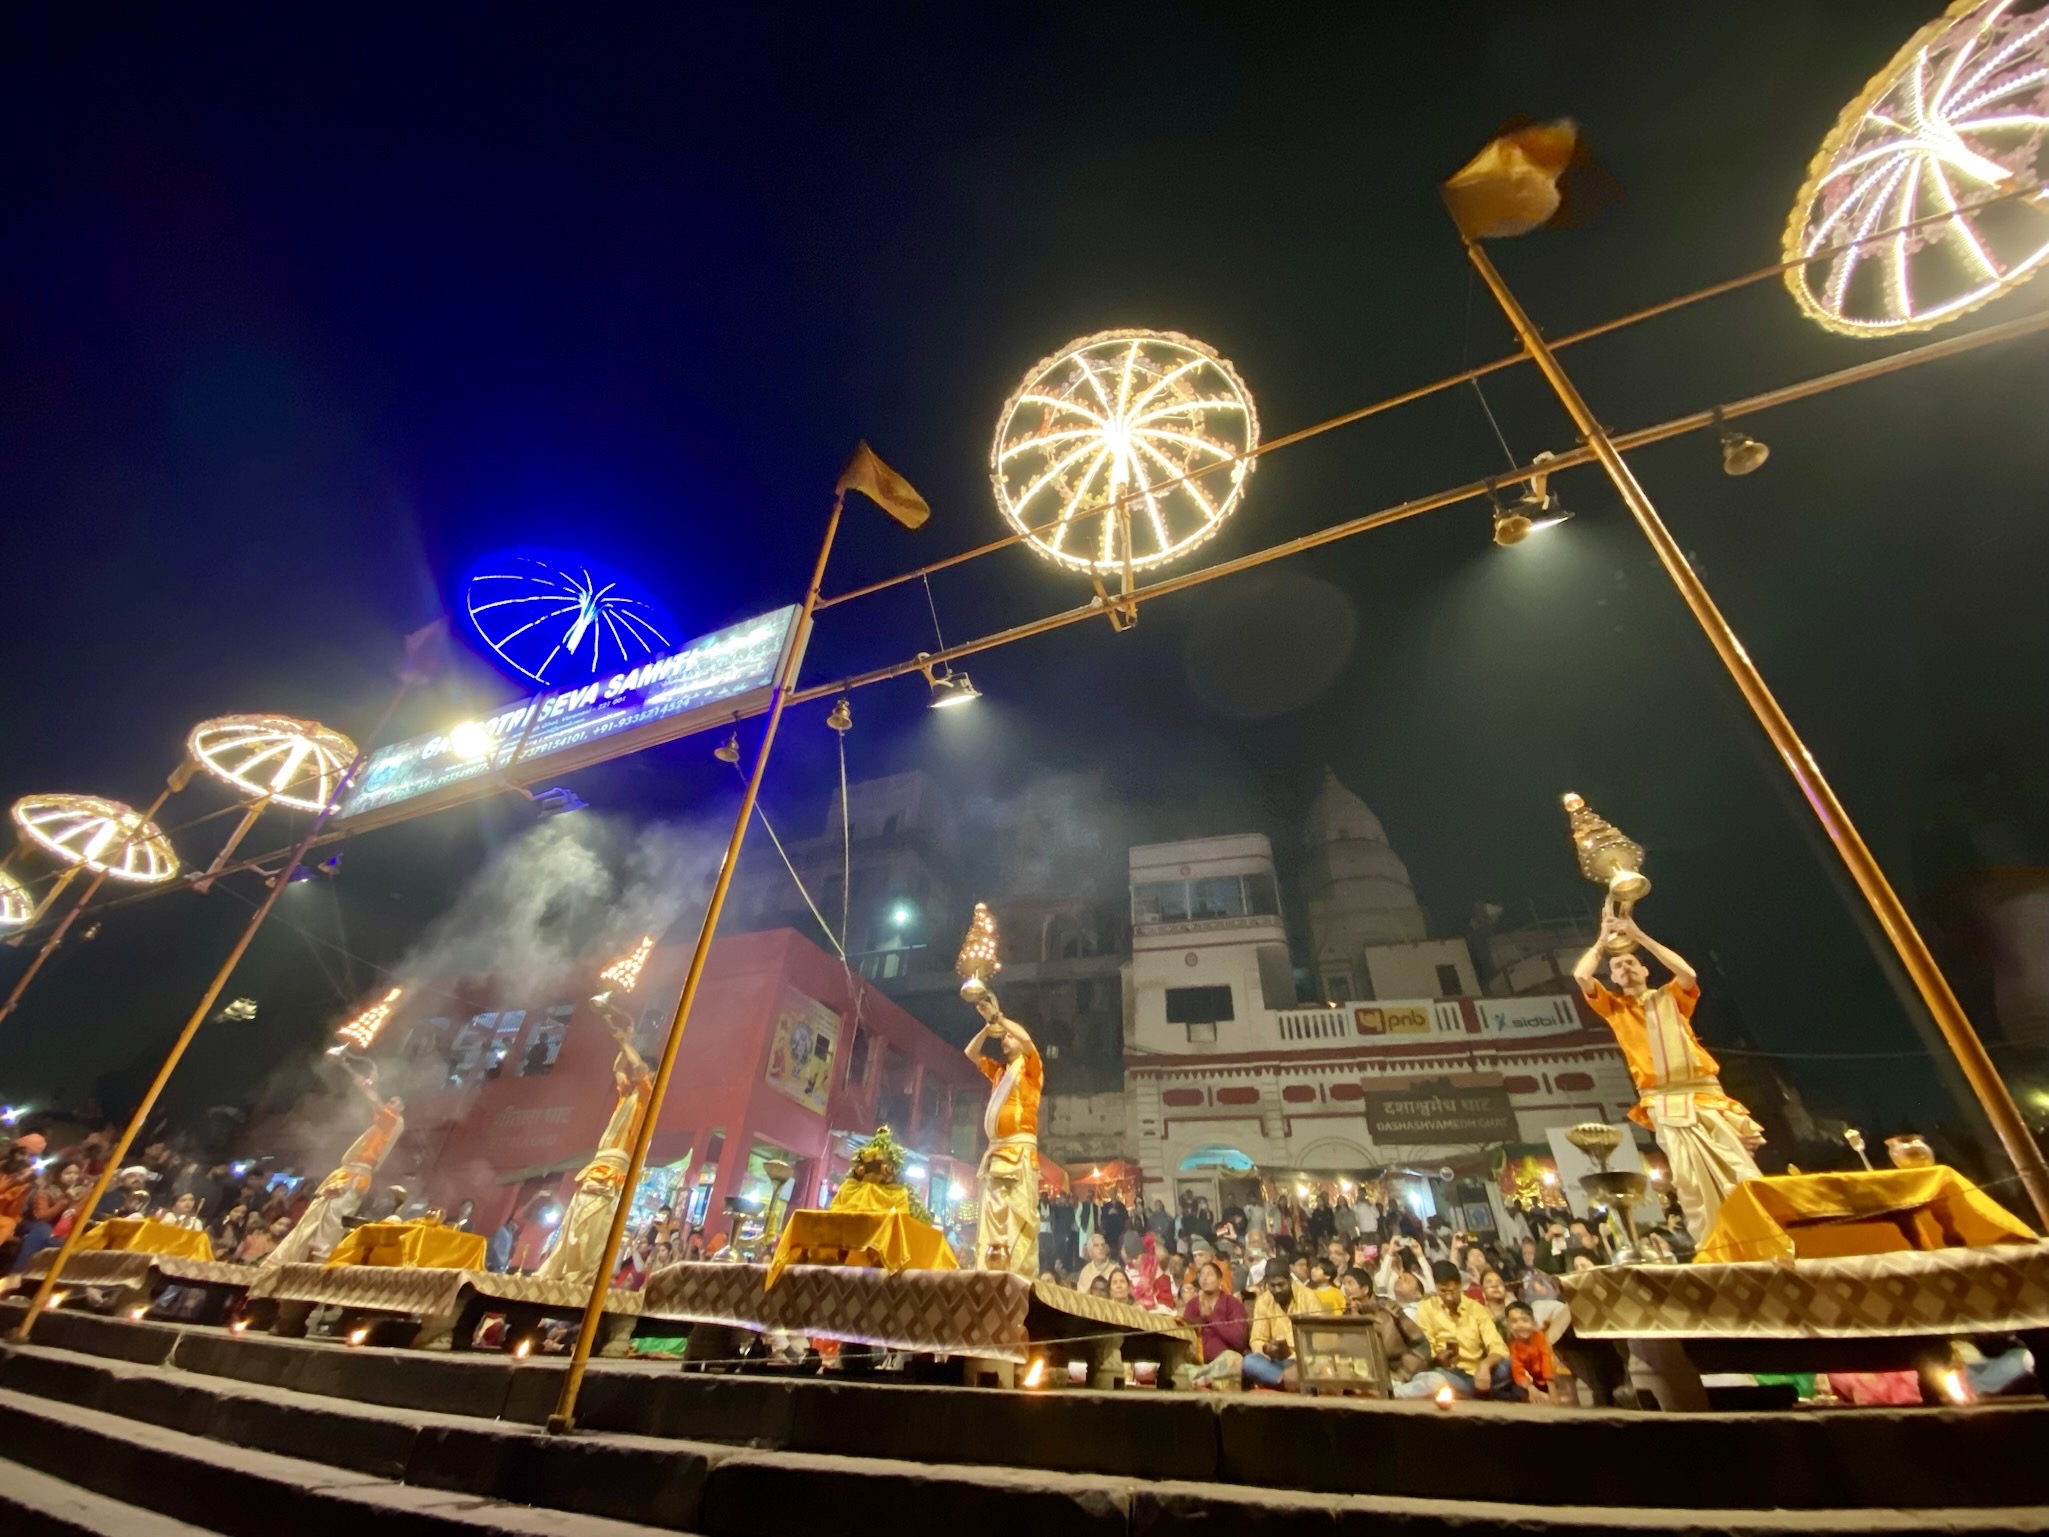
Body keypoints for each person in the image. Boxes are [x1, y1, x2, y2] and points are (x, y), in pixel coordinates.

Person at [1574, 906, 1764, 1244]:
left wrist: (1639, 936)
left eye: (1631, 962)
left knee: (1739, 1169)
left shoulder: (1671, 998)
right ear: (1613, 979)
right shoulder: (1615, 1008)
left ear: (1645, 969)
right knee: (1690, 1180)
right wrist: (1602, 940)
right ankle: (1714, 1244)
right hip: (1663, 1102)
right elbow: (1581, 976)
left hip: (1705, 1094)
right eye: (1617, 967)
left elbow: (1687, 973)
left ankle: (1762, 1236)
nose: (1625, 968)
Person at [538, 1006, 653, 1281]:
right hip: (599, 1161)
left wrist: (626, 1043)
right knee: (575, 1218)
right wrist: (623, 1040)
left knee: (594, 1222)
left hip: (614, 1167)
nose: (631, 1077)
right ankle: (563, 1270)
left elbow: (638, 1068)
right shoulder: (627, 1095)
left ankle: (583, 1275)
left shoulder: (648, 1096)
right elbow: (618, 1069)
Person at [263, 1066, 404, 1267]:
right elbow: (376, 1106)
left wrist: (367, 1088)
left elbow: (377, 1104)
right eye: (389, 1101)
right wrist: (367, 1086)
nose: (389, 1104)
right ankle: (296, 1257)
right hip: (346, 1173)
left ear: (401, 1108)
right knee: (316, 1215)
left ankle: (319, 1262)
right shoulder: (382, 1123)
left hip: (356, 1177)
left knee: (333, 1219)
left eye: (394, 1102)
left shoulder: (393, 1122)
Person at [962, 983, 1042, 1277]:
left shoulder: (1031, 1068)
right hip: (996, 1156)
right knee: (991, 1221)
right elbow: (970, 1052)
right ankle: (989, 1273)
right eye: (1004, 1038)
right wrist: (988, 1027)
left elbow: (1026, 1039)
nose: (1006, 1040)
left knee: (1017, 1219)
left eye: (1010, 1037)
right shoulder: (999, 1072)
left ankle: (1019, 1277)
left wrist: (999, 1018)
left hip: (1019, 1155)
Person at [1413, 1260, 1512, 1399]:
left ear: (1459, 1285)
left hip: (1477, 1374)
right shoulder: (1427, 1308)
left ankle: (1470, 1392)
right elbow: (1426, 1348)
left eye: (1452, 1291)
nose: (1448, 1296)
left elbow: (1497, 1346)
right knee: (1433, 1380)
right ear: (1436, 1287)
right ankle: (1395, 1394)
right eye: (1443, 1291)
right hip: (1447, 1373)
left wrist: (1485, 1366)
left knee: (1509, 1366)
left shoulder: (1475, 1308)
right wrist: (1438, 1358)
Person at [1244, 1269, 1317, 1390]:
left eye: (1281, 1284)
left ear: (1290, 1280)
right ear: (1267, 1284)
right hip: (1277, 1363)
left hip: (1304, 1362)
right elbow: (1257, 1339)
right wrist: (1267, 1349)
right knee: (1249, 1362)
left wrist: (1295, 1358)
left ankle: (1291, 1382)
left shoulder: (1308, 1297)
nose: (1277, 1290)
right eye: (1272, 1286)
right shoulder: (1263, 1301)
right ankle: (1290, 1382)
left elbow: (1319, 1337)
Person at [1183, 1259, 1251, 1387]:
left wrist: (1212, 1317)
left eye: (1209, 1274)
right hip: (1196, 1362)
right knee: (1175, 1365)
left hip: (1222, 1362)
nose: (1204, 1278)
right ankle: (1204, 1377)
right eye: (1202, 1275)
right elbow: (1184, 1333)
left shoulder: (1232, 1303)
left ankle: (1201, 1378)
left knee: (1234, 1359)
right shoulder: (1192, 1305)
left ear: (1220, 1280)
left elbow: (1239, 1340)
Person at [1503, 1300, 1572, 1405]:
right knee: (1517, 1389)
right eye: (1514, 1321)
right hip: (1533, 1383)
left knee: (1562, 1397)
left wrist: (1551, 1387)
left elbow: (1546, 1361)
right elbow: (1517, 1370)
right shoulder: (1514, 1347)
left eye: (1525, 1320)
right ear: (1508, 1326)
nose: (1520, 1325)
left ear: (1533, 1323)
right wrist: (1530, 1387)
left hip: (1551, 1378)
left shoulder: (1540, 1338)